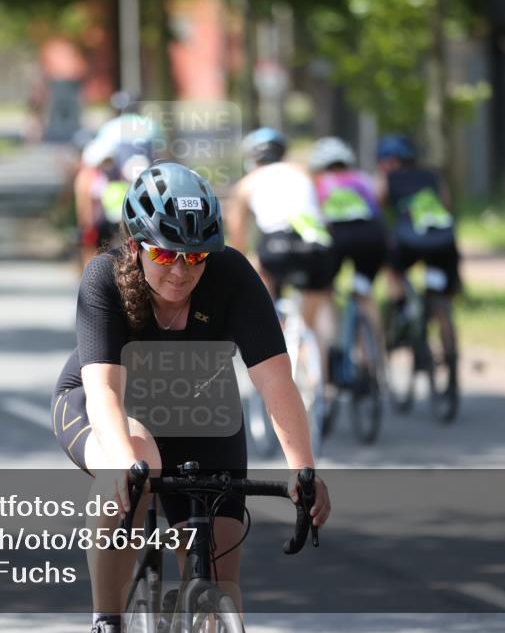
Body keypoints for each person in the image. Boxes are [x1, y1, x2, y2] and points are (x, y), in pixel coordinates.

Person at [51, 162, 331, 633]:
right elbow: (104, 391)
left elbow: (277, 381)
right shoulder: (105, 278)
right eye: (164, 256)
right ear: (137, 246)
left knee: (222, 578)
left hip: (200, 411)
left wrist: (303, 469)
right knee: (136, 463)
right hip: (110, 407)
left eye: (195, 257)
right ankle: (108, 620)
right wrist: (122, 467)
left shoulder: (233, 277)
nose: (180, 271)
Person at [228, 127, 334, 378]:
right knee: (315, 316)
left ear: (253, 158)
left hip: (278, 244)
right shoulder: (303, 172)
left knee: (255, 270)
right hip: (319, 245)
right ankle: (320, 378)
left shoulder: (248, 183)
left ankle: (275, 329)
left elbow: (237, 238)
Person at [308, 136, 389, 371]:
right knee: (364, 292)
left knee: (325, 292)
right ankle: (375, 357)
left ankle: (332, 352)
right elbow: (377, 208)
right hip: (371, 236)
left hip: (337, 237)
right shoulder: (363, 179)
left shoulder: (318, 182)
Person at [376, 134, 461, 357]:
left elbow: (377, 207)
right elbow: (447, 204)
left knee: (392, 268)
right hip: (443, 240)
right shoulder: (434, 177)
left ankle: (401, 305)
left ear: (391, 161)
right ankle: (450, 355)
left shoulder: (389, 178)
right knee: (441, 297)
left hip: (410, 241)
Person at [74, 135, 152, 269]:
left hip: (106, 221)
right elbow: (84, 203)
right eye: (106, 160)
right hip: (94, 222)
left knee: (103, 253)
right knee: (93, 254)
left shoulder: (105, 175)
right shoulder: (88, 176)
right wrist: (87, 223)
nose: (109, 164)